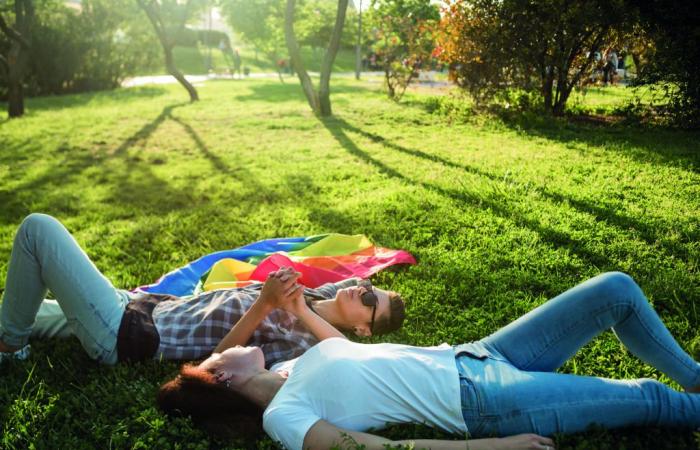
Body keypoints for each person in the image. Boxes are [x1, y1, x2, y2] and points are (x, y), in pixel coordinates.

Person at [158, 272, 700, 449]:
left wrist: (296, 305)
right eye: (217, 357)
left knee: (615, 290)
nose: (225, 346)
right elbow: (391, 449)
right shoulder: (283, 420)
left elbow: (345, 348)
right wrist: (493, 446)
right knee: (649, 398)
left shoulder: (288, 371)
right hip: (482, 402)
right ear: (222, 376)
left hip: (482, 353)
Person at [0, 214, 405, 366]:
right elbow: (344, 287)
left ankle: (10, 347)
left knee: (39, 230)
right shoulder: (319, 297)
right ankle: (11, 331)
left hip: (125, 335)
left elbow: (217, 362)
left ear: (364, 330)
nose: (360, 289)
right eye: (366, 285)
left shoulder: (306, 345)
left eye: (370, 300)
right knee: (11, 307)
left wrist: (265, 306)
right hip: (140, 305)